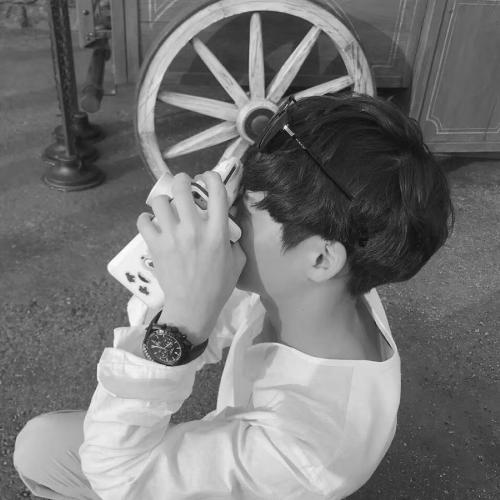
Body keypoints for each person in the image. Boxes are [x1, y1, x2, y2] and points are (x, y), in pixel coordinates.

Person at [13, 93, 453, 500]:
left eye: (247, 205)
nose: (226, 209)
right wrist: (182, 280)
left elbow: (114, 473)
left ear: (321, 259)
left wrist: (181, 326)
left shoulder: (308, 451)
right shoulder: (322, 289)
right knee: (44, 444)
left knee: (44, 450)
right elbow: (219, 308)